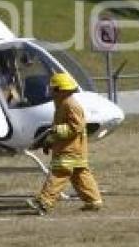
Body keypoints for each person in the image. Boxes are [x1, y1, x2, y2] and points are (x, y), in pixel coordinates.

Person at [28, 72, 103, 215]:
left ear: (61, 90)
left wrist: (56, 130)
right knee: (80, 176)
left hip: (70, 150)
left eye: (53, 89)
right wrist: (49, 141)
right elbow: (61, 128)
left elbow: (77, 127)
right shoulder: (62, 104)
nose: (50, 92)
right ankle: (94, 201)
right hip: (74, 150)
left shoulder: (70, 105)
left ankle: (44, 201)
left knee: (58, 175)